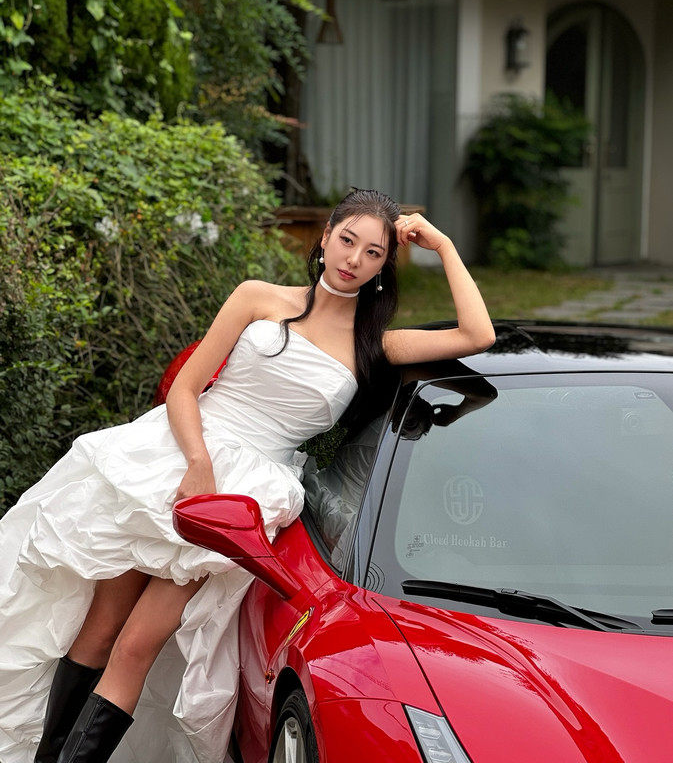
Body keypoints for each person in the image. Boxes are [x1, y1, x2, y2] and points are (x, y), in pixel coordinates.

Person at [0, 188, 494, 763]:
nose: (354, 259)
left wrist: (443, 245)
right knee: (99, 630)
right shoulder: (257, 296)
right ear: (326, 237)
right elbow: (187, 387)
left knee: (136, 646)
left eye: (373, 253)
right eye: (347, 240)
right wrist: (198, 463)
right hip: (171, 457)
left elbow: (477, 335)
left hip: (242, 495)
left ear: (384, 267)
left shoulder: (374, 346)